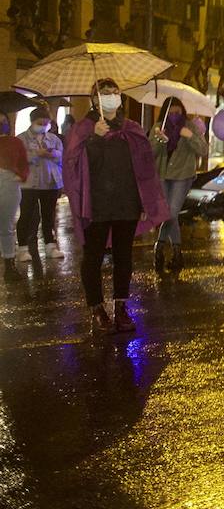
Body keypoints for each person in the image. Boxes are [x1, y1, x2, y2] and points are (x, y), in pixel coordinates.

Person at [63, 80, 170, 334]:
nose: (111, 97)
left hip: (126, 202)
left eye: (115, 92)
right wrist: (94, 139)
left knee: (124, 257)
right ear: (94, 99)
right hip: (96, 204)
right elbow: (72, 165)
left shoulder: (131, 127)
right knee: (93, 257)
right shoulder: (84, 129)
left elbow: (144, 166)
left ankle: (121, 307)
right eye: (104, 93)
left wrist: (144, 200)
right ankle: (97, 309)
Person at [151, 97, 209, 275]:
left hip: (182, 176)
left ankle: (162, 249)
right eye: (172, 112)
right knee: (168, 215)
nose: (175, 116)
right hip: (163, 175)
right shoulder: (158, 127)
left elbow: (204, 150)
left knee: (172, 213)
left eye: (178, 112)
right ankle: (173, 253)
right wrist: (159, 140)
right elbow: (149, 153)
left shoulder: (189, 126)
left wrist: (190, 136)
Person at [17, 103, 63, 270]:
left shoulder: (53, 139)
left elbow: (61, 157)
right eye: (40, 123)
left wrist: (52, 154)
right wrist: (36, 154)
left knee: (49, 215)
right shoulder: (21, 139)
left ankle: (51, 245)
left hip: (50, 182)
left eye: (46, 123)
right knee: (27, 216)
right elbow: (20, 160)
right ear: (32, 122)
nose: (43, 126)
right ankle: (22, 248)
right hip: (28, 184)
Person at [0, 110, 29, 282]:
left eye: (3, 120)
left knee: (6, 226)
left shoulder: (15, 142)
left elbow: (23, 163)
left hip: (9, 183)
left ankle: (9, 264)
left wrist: (20, 175)